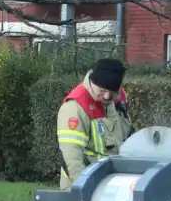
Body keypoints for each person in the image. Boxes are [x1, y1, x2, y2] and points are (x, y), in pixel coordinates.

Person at [56, 57, 135, 191]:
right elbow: (72, 159)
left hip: (110, 185)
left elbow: (126, 137)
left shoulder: (117, 99)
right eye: (103, 91)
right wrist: (86, 189)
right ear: (93, 82)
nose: (107, 97)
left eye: (112, 92)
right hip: (82, 187)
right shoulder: (75, 107)